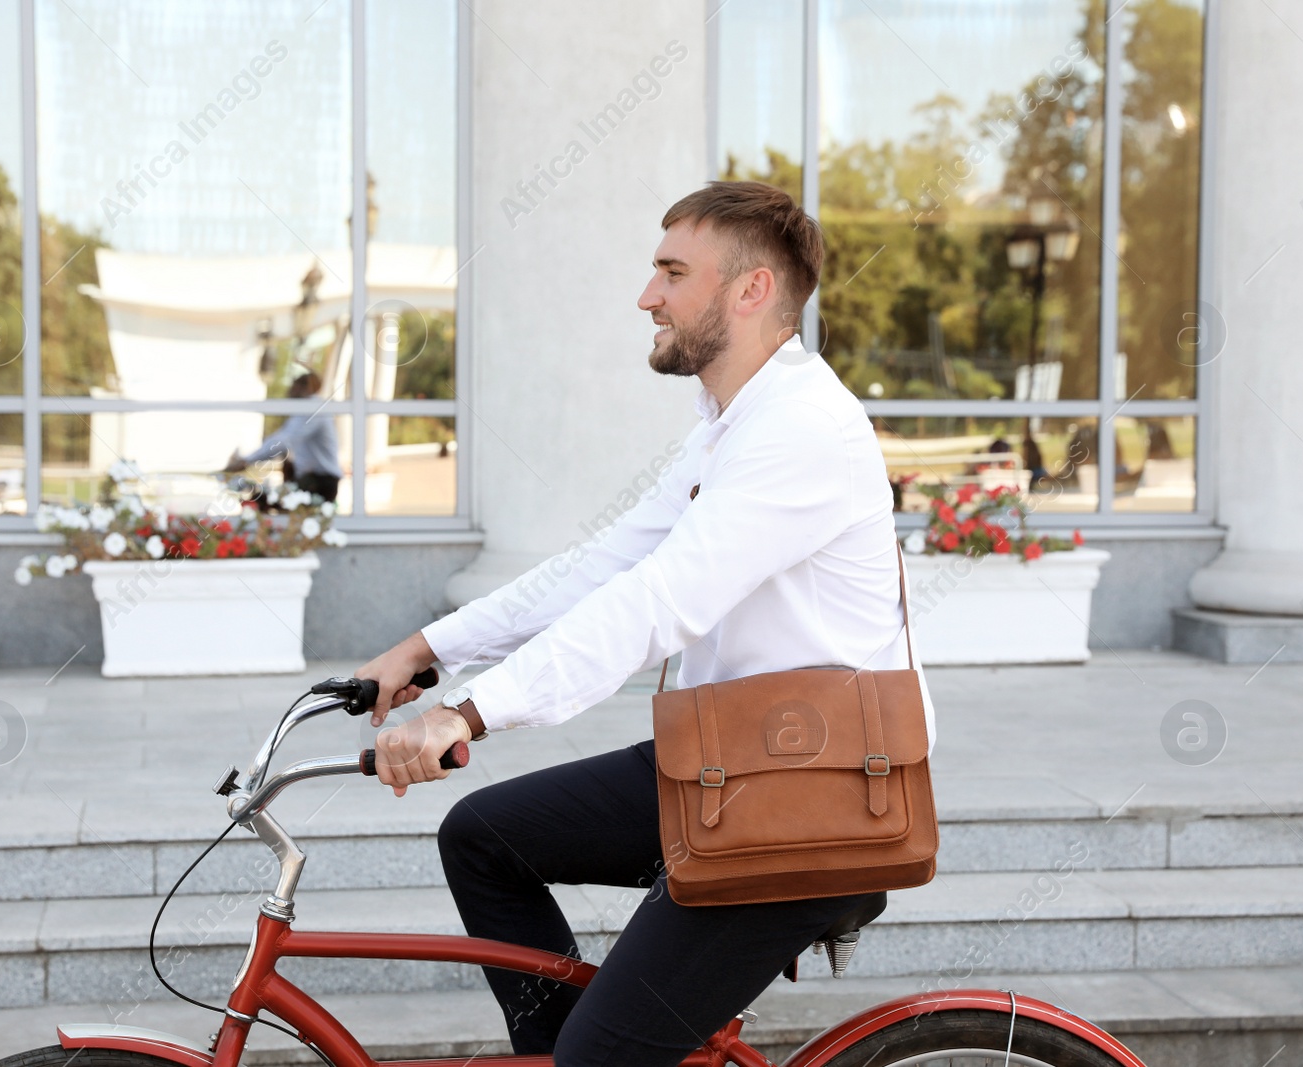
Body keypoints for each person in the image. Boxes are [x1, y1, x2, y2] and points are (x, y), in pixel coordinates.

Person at [354, 182, 934, 1067]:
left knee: (603, 1058)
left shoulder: (803, 430)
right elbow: (599, 568)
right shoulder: (726, 428)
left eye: (671, 272)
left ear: (750, 292)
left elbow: (657, 602)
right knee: (484, 839)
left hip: (805, 796)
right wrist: (428, 649)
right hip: (725, 764)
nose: (646, 295)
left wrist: (465, 714)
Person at [225, 371, 341, 502]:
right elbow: (282, 438)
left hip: (320, 482)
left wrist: (247, 460)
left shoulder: (312, 409)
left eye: (293, 386)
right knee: (266, 500)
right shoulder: (307, 410)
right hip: (314, 480)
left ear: (303, 388)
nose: (289, 391)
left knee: (264, 500)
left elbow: (283, 442)